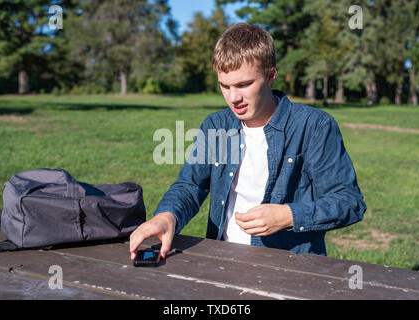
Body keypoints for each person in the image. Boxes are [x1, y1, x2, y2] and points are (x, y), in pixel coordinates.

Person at [129, 23, 366, 261]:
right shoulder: (216, 125)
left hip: (291, 266)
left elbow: (349, 202)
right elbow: (190, 185)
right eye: (225, 86)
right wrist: (167, 216)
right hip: (223, 260)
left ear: (271, 75)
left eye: (244, 85)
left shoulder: (315, 126)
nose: (233, 98)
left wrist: (288, 215)